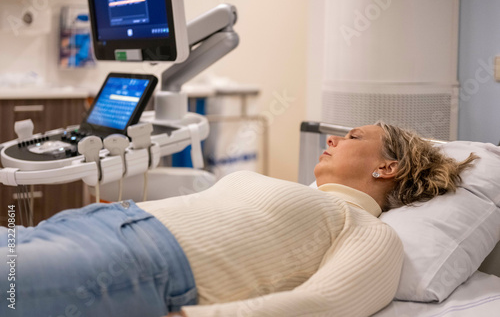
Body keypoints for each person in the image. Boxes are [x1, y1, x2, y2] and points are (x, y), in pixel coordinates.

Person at [0, 123, 476, 317]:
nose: (332, 137)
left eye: (351, 136)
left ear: (387, 168)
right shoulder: (294, 191)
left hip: (132, 262)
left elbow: (324, 304)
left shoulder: (369, 231)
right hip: (82, 227)